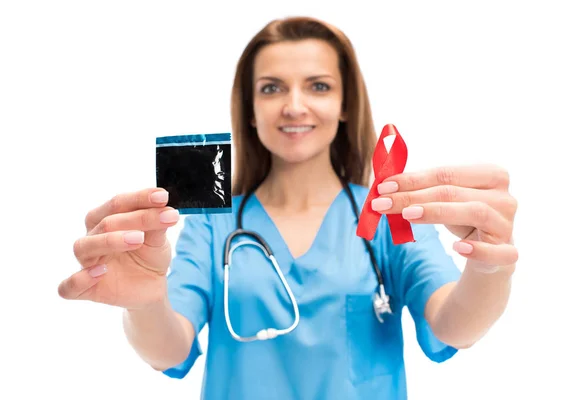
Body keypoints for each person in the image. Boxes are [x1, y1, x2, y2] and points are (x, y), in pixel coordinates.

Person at [58, 16, 519, 400]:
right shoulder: (213, 225)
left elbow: (454, 325)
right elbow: (168, 349)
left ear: (344, 105)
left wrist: (488, 268)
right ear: (250, 108)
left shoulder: (387, 212)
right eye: (272, 88)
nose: (294, 106)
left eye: (318, 86)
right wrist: (144, 304)